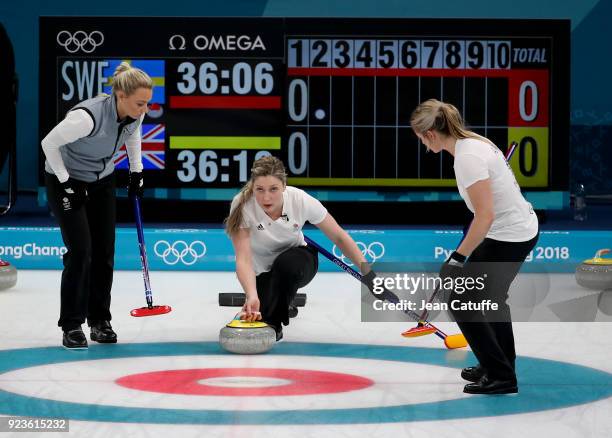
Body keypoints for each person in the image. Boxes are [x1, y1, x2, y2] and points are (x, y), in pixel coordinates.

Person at [410, 99, 539, 395]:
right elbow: (486, 212)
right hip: (510, 230)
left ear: (429, 134)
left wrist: (456, 258)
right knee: (489, 298)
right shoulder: (472, 143)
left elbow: (485, 215)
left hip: (509, 235)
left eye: (419, 138)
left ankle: (501, 375)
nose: (421, 143)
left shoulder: (468, 157)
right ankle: (497, 363)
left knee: (461, 298)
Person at [42, 62, 152, 349]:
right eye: (140, 103)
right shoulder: (86, 118)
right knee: (81, 251)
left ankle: (100, 320)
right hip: (64, 177)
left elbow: (133, 134)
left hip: (102, 179)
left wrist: (136, 170)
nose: (144, 109)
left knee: (104, 251)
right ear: (121, 96)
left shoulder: (134, 114)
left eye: (147, 103)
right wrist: (67, 182)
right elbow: (48, 144)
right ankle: (71, 324)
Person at [225, 156, 372, 341]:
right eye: (259, 190)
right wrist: (251, 294)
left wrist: (369, 274)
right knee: (260, 304)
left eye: (273, 189)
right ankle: (283, 300)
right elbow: (244, 259)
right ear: (252, 187)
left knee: (285, 269)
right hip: (263, 271)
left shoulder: (300, 199)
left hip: (299, 262)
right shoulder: (242, 204)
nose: (266, 197)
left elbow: (339, 237)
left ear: (284, 186)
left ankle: (275, 324)